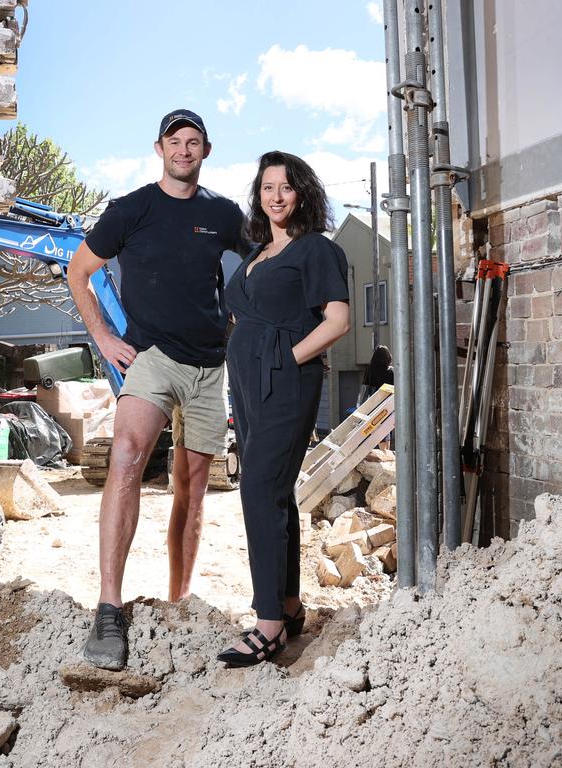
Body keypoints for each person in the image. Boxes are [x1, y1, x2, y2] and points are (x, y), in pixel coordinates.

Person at [67, 109, 247, 671]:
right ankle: (108, 607)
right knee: (125, 455)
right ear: (159, 148)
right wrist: (103, 336)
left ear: (206, 150)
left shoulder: (223, 213)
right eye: (176, 142)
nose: (184, 151)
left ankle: (178, 600)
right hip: (150, 358)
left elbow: (259, 263)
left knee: (192, 485)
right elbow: (79, 272)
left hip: (208, 366)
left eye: (194, 143)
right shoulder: (130, 210)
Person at [216, 151, 350, 667]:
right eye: (267, 187)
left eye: (286, 187)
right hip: (248, 386)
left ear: (303, 194)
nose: (276, 196)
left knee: (257, 489)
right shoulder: (256, 256)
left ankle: (268, 624)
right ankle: (289, 605)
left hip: (286, 380)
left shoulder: (315, 249)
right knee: (272, 491)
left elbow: (337, 321)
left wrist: (285, 358)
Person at [364, 345, 394, 449]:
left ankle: (382, 451)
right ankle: (386, 452)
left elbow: (365, 387)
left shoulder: (369, 369)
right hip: (387, 403)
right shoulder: (391, 371)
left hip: (373, 403)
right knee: (386, 427)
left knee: (377, 426)